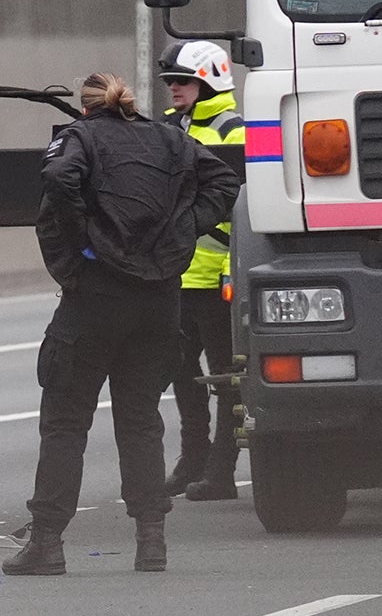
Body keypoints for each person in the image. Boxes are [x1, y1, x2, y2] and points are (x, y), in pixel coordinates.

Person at [5, 73, 241, 578]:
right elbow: (224, 180)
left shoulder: (79, 138)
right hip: (158, 300)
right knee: (141, 419)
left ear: (87, 108)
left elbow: (57, 181)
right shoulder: (170, 138)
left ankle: (46, 542)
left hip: (95, 296)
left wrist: (87, 243)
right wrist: (182, 227)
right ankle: (151, 541)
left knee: (66, 420)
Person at [158, 41, 245, 501]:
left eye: (182, 80)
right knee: (181, 372)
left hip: (218, 278)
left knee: (227, 377)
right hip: (179, 275)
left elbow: (244, 205)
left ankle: (222, 468)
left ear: (208, 81)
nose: (173, 88)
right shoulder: (171, 129)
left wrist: (235, 267)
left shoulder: (235, 131)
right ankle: (193, 459)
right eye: (171, 81)